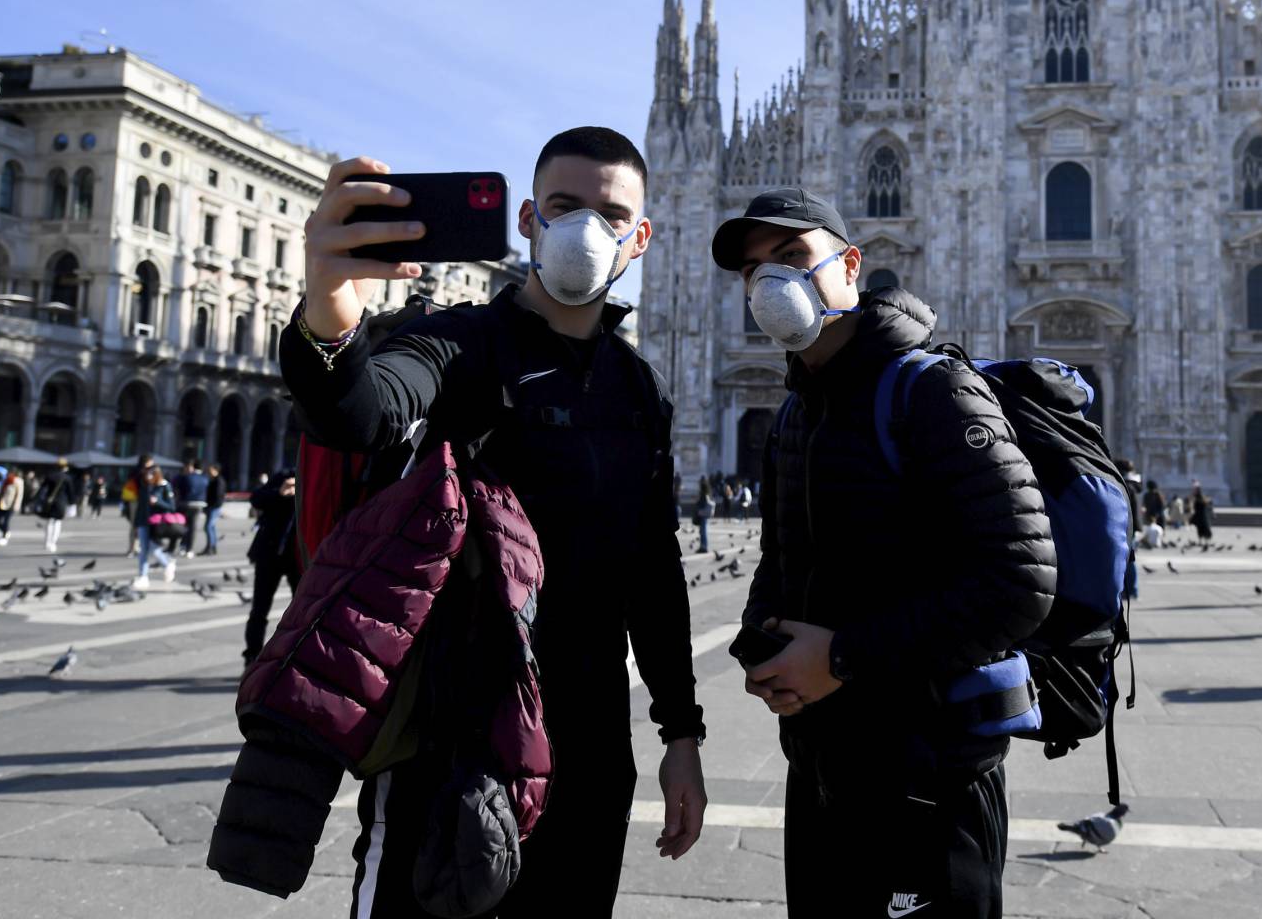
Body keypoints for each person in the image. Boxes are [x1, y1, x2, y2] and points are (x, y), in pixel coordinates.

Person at [264, 133, 707, 916]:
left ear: (639, 241)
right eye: (567, 209)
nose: (587, 231)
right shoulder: (458, 345)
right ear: (531, 220)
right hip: (454, 734)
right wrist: (330, 308)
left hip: (591, 741)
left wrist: (681, 734)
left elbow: (652, 569)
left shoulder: (637, 387)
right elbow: (359, 410)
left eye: (612, 215)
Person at [719, 186, 1056, 917]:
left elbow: (1020, 582)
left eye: (790, 258)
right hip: (822, 768)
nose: (770, 283)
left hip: (930, 778)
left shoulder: (934, 391)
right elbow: (780, 568)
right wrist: (767, 646)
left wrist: (842, 657)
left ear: (851, 265)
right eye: (752, 272)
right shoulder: (796, 410)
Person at [241, 471, 300, 667]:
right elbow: (256, 499)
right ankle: (252, 656)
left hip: (299, 556)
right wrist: (279, 493)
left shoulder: (319, 478)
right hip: (269, 552)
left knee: (301, 611)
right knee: (259, 608)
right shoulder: (285, 475)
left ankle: (296, 655)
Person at [134, 465, 178, 589]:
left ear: (156, 474)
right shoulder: (145, 486)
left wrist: (157, 501)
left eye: (150, 474)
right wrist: (136, 523)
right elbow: (141, 505)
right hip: (143, 521)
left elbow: (172, 507)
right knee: (144, 550)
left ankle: (167, 563)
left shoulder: (164, 486)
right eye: (146, 474)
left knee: (153, 549)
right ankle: (143, 576)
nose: (148, 477)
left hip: (156, 523)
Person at [32, 459, 77, 553]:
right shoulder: (67, 478)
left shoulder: (50, 476)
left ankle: (47, 542)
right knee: (57, 523)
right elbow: (71, 493)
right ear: (65, 467)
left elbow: (42, 489)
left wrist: (37, 501)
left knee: (49, 522)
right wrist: (72, 505)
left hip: (49, 502)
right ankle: (53, 542)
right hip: (61, 503)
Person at [174, 461, 207, 557]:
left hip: (186, 503)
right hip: (199, 504)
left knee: (184, 526)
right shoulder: (204, 478)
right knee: (192, 527)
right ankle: (190, 549)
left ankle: (183, 546)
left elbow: (178, 488)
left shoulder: (185, 477)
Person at [0, 470, 24, 547]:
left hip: (11, 505)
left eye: (10, 473)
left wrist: (16, 505)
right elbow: (0, 492)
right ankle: (6, 531)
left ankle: (4, 537)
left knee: (6, 521)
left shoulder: (18, 481)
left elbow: (19, 494)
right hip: (2, 503)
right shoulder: (5, 480)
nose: (8, 474)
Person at [201, 463, 225, 556]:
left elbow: (218, 496)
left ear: (215, 470)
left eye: (210, 470)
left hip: (214, 507)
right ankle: (212, 547)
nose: (208, 471)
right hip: (211, 507)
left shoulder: (219, 481)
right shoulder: (213, 480)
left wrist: (214, 506)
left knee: (208, 527)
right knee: (211, 527)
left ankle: (210, 547)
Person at [1141, 479, 1167, 549]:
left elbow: (1161, 506)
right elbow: (1162, 506)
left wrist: (1156, 515)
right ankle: (1155, 542)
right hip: (1154, 515)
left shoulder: (1152, 495)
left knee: (1156, 529)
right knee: (1156, 529)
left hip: (1156, 515)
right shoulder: (1156, 494)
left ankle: (1157, 541)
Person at [694, 477, 716, 554]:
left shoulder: (703, 494)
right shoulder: (707, 493)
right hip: (704, 514)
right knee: (703, 531)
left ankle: (704, 547)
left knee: (703, 532)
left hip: (702, 514)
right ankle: (703, 546)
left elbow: (702, 504)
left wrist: (697, 503)